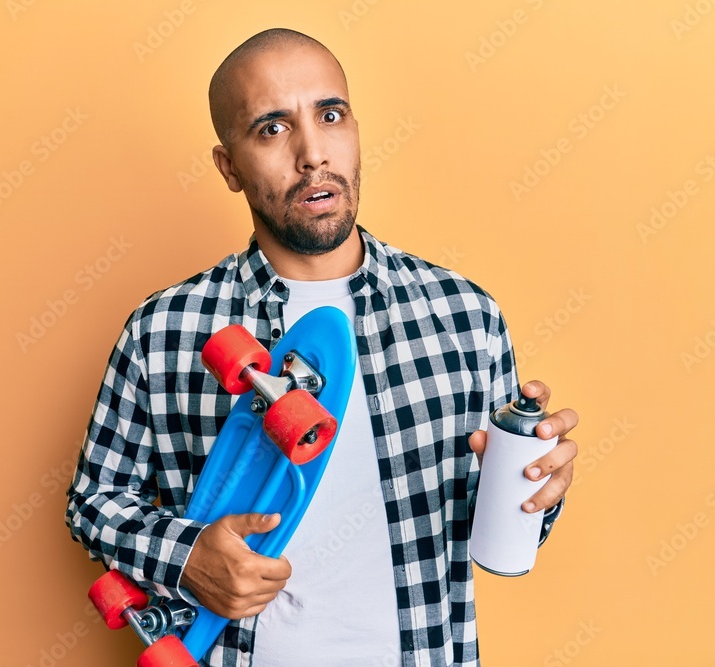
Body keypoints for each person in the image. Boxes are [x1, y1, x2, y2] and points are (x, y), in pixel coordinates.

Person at [66, 28, 578, 667]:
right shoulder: (165, 329)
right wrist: (186, 555)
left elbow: (493, 533)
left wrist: (535, 487)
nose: (312, 153)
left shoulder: (463, 316)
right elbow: (95, 501)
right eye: (272, 129)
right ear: (229, 167)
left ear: (356, 130)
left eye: (330, 116)